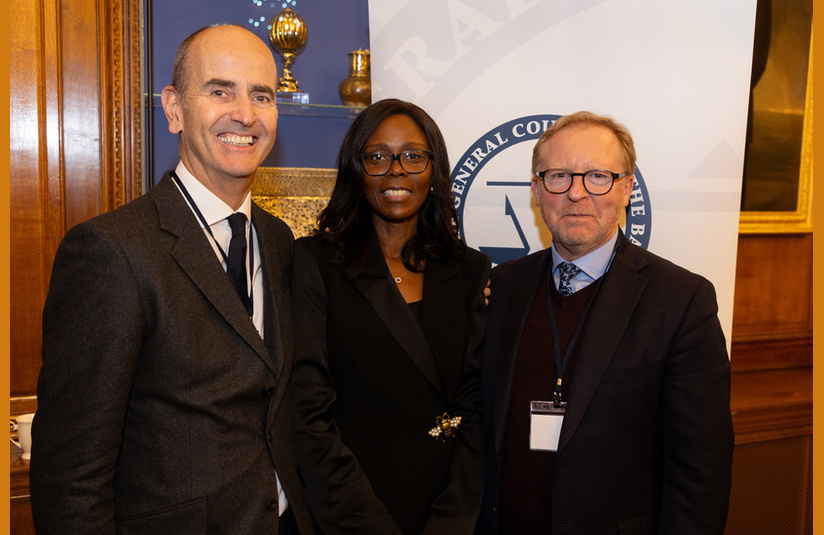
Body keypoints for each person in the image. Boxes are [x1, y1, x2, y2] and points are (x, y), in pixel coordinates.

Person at [30, 25, 314, 534]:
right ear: (174, 109)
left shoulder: (276, 240)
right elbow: (70, 478)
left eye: (262, 95)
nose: (245, 114)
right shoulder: (110, 251)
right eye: (220, 90)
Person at [477, 111, 734, 534]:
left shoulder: (681, 301)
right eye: (558, 176)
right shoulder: (502, 286)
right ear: (536, 190)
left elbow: (701, 472)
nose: (577, 194)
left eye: (598, 176)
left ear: (628, 188)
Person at [289, 98, 490, 534]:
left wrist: (451, 523)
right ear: (356, 169)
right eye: (377, 156)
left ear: (433, 169)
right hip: (351, 513)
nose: (396, 170)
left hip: (445, 511)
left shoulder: (471, 270)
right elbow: (308, 415)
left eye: (413, 156)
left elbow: (476, 412)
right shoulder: (315, 263)